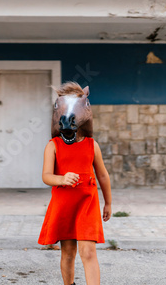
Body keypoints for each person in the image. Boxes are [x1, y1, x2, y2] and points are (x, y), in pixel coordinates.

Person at [38, 82, 112, 285]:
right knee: (68, 253)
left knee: (88, 252)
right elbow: (46, 176)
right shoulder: (53, 146)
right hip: (64, 205)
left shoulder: (91, 145)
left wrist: (108, 203)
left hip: (87, 204)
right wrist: (61, 179)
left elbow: (103, 176)